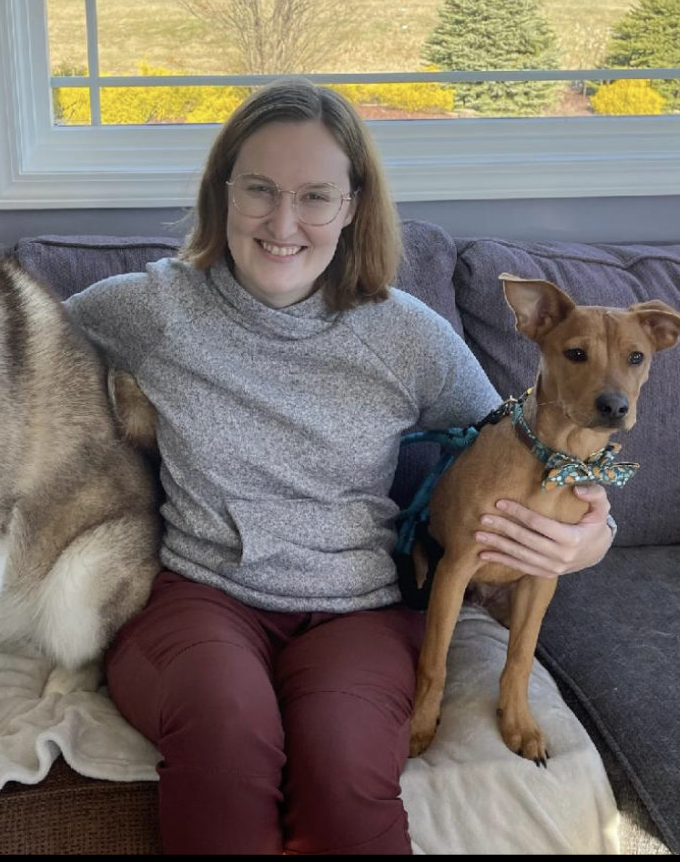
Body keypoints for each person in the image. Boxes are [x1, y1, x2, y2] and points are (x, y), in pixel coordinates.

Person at [63, 77, 613, 855]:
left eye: (315, 196)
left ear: (353, 206)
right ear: (223, 192)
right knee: (228, 742)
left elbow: (525, 440)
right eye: (259, 189)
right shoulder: (157, 308)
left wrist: (591, 533)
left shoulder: (404, 334)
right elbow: (18, 344)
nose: (283, 222)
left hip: (358, 610)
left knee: (345, 775)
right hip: (200, 595)